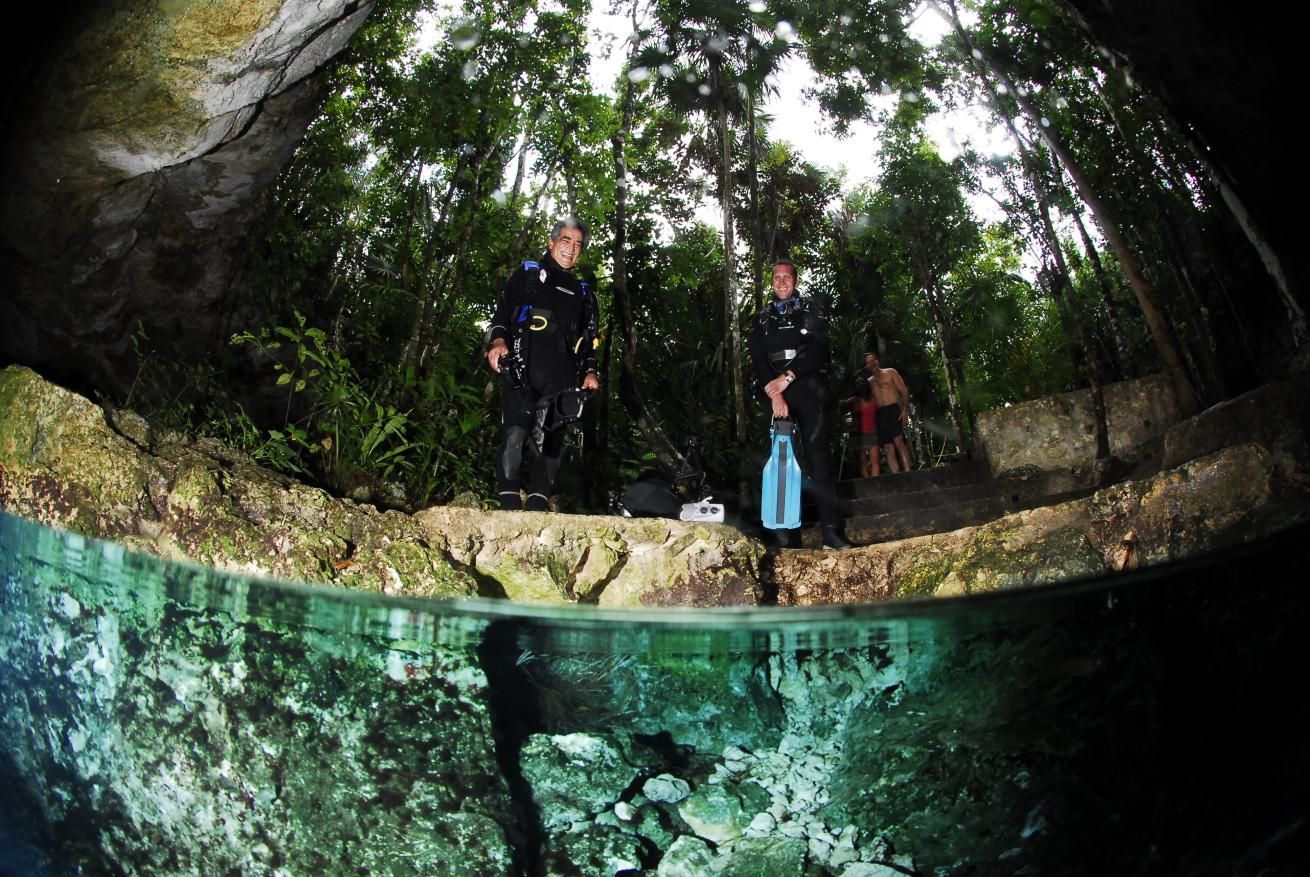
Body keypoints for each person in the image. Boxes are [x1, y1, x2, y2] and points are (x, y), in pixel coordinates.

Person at [486, 217, 600, 511]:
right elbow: (502, 315)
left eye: (577, 245)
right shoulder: (528, 275)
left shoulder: (584, 293)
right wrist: (499, 343)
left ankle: (537, 505)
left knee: (551, 438)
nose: (571, 249)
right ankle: (508, 504)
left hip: (562, 372)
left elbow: (589, 339)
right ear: (551, 243)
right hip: (523, 362)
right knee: (515, 432)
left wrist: (589, 371)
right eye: (566, 241)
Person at [749, 259, 852, 549]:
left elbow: (819, 350)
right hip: (776, 397)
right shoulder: (761, 318)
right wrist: (776, 394)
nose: (782, 282)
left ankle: (831, 531)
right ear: (772, 282)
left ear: (795, 280)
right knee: (781, 462)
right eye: (776, 277)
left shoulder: (811, 309)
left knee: (819, 460)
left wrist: (788, 377)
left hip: (807, 388)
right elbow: (758, 361)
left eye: (787, 277)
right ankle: (784, 535)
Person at [865, 352, 913, 473]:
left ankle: (909, 474)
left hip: (893, 410)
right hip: (880, 415)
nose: (871, 363)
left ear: (877, 361)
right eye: (868, 362)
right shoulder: (869, 382)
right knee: (888, 448)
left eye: (872, 360)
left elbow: (905, 391)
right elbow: (869, 402)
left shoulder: (890, 372)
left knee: (899, 443)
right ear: (867, 366)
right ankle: (896, 478)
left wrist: (905, 410)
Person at [840, 374, 880, 477]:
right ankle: (866, 483)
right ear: (855, 387)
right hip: (857, 433)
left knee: (875, 458)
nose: (861, 384)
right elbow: (839, 408)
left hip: (872, 431)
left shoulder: (874, 398)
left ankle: (875, 482)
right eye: (858, 383)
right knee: (862, 460)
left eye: (862, 382)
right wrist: (845, 425)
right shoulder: (853, 400)